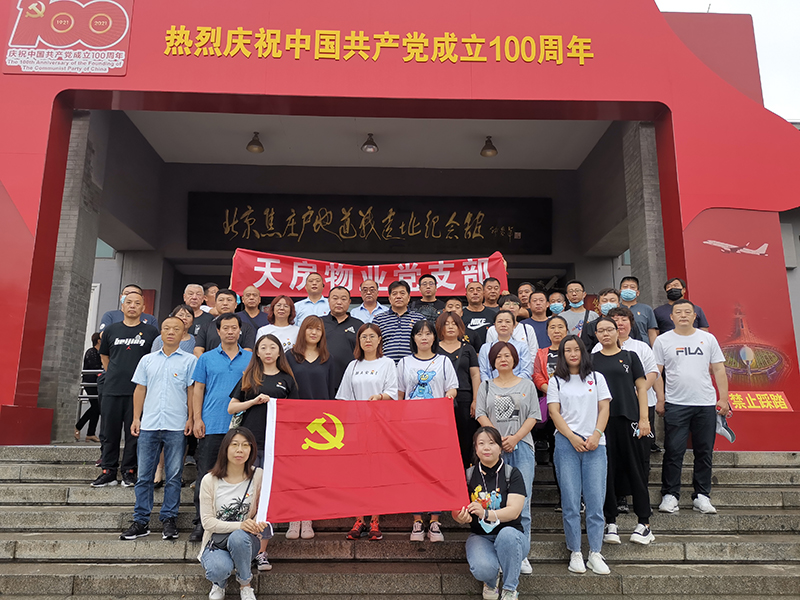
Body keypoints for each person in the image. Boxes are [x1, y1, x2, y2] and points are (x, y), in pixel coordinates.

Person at [120, 316, 197, 541]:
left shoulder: (190, 361)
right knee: (144, 476)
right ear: (160, 332)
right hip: (149, 424)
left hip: (176, 424)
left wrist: (191, 418)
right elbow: (140, 390)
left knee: (173, 476)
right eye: (166, 328)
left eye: (176, 329)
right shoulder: (147, 360)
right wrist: (136, 418)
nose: (170, 332)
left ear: (183, 333)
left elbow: (192, 391)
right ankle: (141, 521)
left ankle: (169, 519)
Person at [654, 299, 729, 515]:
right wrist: (661, 398)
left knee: (704, 451)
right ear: (672, 317)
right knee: (673, 451)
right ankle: (670, 495)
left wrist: (723, 399)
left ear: (695, 316)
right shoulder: (662, 340)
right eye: (679, 312)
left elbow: (719, 369)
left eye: (688, 312)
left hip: (705, 403)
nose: (683, 315)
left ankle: (702, 495)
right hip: (676, 403)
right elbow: (656, 372)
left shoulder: (707, 339)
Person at [228, 334, 298, 561]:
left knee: (266, 498)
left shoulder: (287, 379)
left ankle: (261, 551)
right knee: (246, 494)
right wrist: (254, 401)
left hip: (275, 445)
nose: (268, 351)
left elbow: (295, 413)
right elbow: (232, 407)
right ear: (257, 352)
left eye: (273, 347)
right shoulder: (249, 376)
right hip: (249, 444)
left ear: (279, 352)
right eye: (263, 348)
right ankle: (241, 546)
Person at [546, 335, 611, 575]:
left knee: (595, 501)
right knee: (571, 501)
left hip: (595, 444)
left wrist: (596, 434)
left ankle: (595, 552)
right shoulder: (556, 381)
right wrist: (572, 437)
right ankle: (575, 551)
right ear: (562, 355)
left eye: (577, 349)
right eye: (568, 350)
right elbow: (554, 412)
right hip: (567, 444)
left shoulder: (597, 378)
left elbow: (604, 407)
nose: (573, 354)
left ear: (583, 352)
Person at [476, 342, 540, 576]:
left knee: (523, 501)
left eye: (508, 356)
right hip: (493, 450)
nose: (503, 359)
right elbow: (480, 413)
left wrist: (514, 438)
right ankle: (500, 550)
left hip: (521, 447)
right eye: (498, 356)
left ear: (515, 359)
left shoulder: (527, 385)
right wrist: (497, 439)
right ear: (492, 361)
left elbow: (533, 415)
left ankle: (521, 553)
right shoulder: (486, 386)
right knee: (496, 500)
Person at [590, 317, 654, 546]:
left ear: (618, 332)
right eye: (601, 330)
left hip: (629, 419)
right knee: (606, 472)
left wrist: (644, 419)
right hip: (602, 423)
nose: (605, 334)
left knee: (636, 469)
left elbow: (642, 388)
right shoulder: (591, 360)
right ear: (596, 335)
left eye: (610, 329)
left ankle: (644, 522)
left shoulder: (630, 356)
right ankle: (611, 522)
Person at [190, 314, 253, 543]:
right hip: (212, 423)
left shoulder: (251, 358)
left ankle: (237, 520)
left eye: (234, 328)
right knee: (206, 475)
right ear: (218, 331)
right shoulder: (206, 358)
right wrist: (197, 419)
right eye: (225, 328)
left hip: (242, 427)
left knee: (240, 476)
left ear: (240, 331)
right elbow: (198, 389)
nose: (230, 332)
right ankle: (201, 522)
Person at [337, 322, 399, 541]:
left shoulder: (387, 363)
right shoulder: (353, 365)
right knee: (357, 474)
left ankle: (375, 519)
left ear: (379, 339)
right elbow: (343, 397)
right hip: (356, 427)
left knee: (377, 473)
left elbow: (393, 392)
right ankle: (359, 519)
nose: (368, 340)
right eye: (364, 337)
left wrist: (380, 397)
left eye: (372, 336)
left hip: (379, 425)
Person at [397, 319, 458, 542]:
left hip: (437, 425)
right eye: (419, 334)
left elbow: (452, 388)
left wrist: (449, 395)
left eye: (428, 333)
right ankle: (416, 520)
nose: (424, 337)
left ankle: (434, 521)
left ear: (434, 337)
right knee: (413, 472)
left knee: (436, 472)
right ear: (413, 338)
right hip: (411, 426)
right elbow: (400, 394)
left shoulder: (444, 361)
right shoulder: (404, 362)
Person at [451, 426, 527, 600]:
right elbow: (456, 511)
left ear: (500, 448)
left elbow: (514, 512)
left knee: (507, 535)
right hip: (480, 536)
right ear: (476, 449)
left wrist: (485, 514)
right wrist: (460, 517)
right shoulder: (467, 476)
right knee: (483, 568)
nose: (486, 447)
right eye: (481, 443)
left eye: (492, 443)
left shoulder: (512, 474)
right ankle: (491, 582)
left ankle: (509, 589)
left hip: (512, 537)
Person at [92, 291, 159, 488]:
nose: (132, 306)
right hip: (112, 389)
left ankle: (129, 471)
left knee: (134, 434)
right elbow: (104, 356)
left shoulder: (150, 332)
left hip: (138, 391)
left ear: (143, 308)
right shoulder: (111, 330)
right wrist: (114, 373)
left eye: (137, 303)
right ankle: (108, 472)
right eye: (129, 302)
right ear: (122, 306)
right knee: (109, 433)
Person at [198, 427, 272, 600]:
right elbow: (207, 522)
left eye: (246, 445)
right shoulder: (209, 480)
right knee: (218, 569)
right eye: (235, 445)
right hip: (216, 542)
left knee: (238, 537)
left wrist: (257, 522)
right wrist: (240, 524)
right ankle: (219, 583)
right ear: (225, 448)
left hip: (245, 542)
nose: (240, 450)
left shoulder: (258, 475)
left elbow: (264, 508)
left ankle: (245, 584)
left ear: (251, 449)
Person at [601, 306, 664, 458]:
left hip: (642, 403)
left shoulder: (641, 347)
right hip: (611, 405)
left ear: (631, 324)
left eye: (624, 320)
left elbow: (652, 372)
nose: (620, 323)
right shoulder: (599, 348)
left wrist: (637, 392)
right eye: (615, 320)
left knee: (640, 448)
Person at [436, 311, 481, 468]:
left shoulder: (468, 349)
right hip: (440, 400)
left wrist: (475, 400)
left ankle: (465, 472)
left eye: (454, 324)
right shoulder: (434, 349)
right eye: (446, 324)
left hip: (465, 399)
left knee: (465, 438)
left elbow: (475, 375)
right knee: (442, 438)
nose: (450, 327)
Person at [532, 316, 568, 477]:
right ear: (547, 332)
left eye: (560, 327)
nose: (556, 331)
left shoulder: (573, 352)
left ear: (566, 330)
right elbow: (537, 375)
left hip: (571, 403)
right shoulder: (541, 353)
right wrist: (553, 390)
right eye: (552, 327)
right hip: (551, 402)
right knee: (554, 443)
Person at [322, 286, 364, 389]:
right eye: (335, 298)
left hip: (351, 378)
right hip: (323, 376)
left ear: (349, 302)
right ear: (328, 300)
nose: (339, 302)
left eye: (343, 299)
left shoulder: (358, 325)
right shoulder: (319, 323)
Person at [372, 281, 425, 363]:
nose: (398, 296)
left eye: (402, 293)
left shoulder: (419, 319)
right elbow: (373, 344)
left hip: (413, 365)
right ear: (389, 299)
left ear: (408, 298)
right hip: (386, 365)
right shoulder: (378, 319)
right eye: (394, 294)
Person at [195, 290, 256, 356]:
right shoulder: (206, 327)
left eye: (229, 300)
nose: (225, 303)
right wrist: (208, 362)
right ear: (215, 304)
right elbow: (198, 350)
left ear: (236, 304)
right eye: (221, 300)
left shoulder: (246, 328)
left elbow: (248, 351)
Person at [478, 311, 532, 381]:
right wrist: (493, 385)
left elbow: (526, 372)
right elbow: (483, 373)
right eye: (500, 322)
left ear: (513, 326)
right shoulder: (485, 348)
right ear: (494, 326)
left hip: (518, 386)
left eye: (507, 322)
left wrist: (512, 384)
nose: (503, 325)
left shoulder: (522, 347)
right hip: (492, 386)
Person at [75, 332, 102, 443]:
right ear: (99, 341)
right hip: (90, 382)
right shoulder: (91, 352)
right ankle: (78, 427)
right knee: (96, 406)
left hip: (97, 383)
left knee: (97, 407)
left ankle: (90, 433)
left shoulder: (101, 353)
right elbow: (95, 368)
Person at [619, 276, 659, 346]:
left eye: (632, 287)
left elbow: (652, 333)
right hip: (620, 346)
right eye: (625, 287)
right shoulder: (615, 309)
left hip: (643, 346)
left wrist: (655, 349)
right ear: (620, 291)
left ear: (637, 292)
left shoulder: (646, 309)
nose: (628, 289)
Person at [462, 282, 495, 351]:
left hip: (488, 353)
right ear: (466, 294)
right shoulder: (460, 315)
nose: (475, 293)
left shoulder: (493, 314)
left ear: (483, 293)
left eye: (478, 290)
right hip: (466, 353)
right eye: (471, 290)